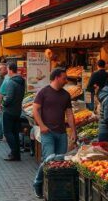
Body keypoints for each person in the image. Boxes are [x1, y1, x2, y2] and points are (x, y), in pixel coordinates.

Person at [33, 67, 77, 198]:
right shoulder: (44, 92)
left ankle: (56, 188)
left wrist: (73, 131)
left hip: (62, 133)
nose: (66, 80)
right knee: (48, 160)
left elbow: (69, 113)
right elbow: (35, 110)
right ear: (57, 77)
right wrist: (42, 126)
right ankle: (38, 184)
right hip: (48, 133)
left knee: (60, 162)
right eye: (64, 78)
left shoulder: (66, 94)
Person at [2, 62, 26, 161]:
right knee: (15, 132)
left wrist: (4, 102)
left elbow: (9, 97)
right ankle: (16, 154)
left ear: (10, 70)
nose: (7, 72)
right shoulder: (21, 81)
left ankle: (14, 152)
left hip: (9, 111)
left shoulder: (11, 82)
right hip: (17, 110)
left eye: (7, 70)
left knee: (8, 132)